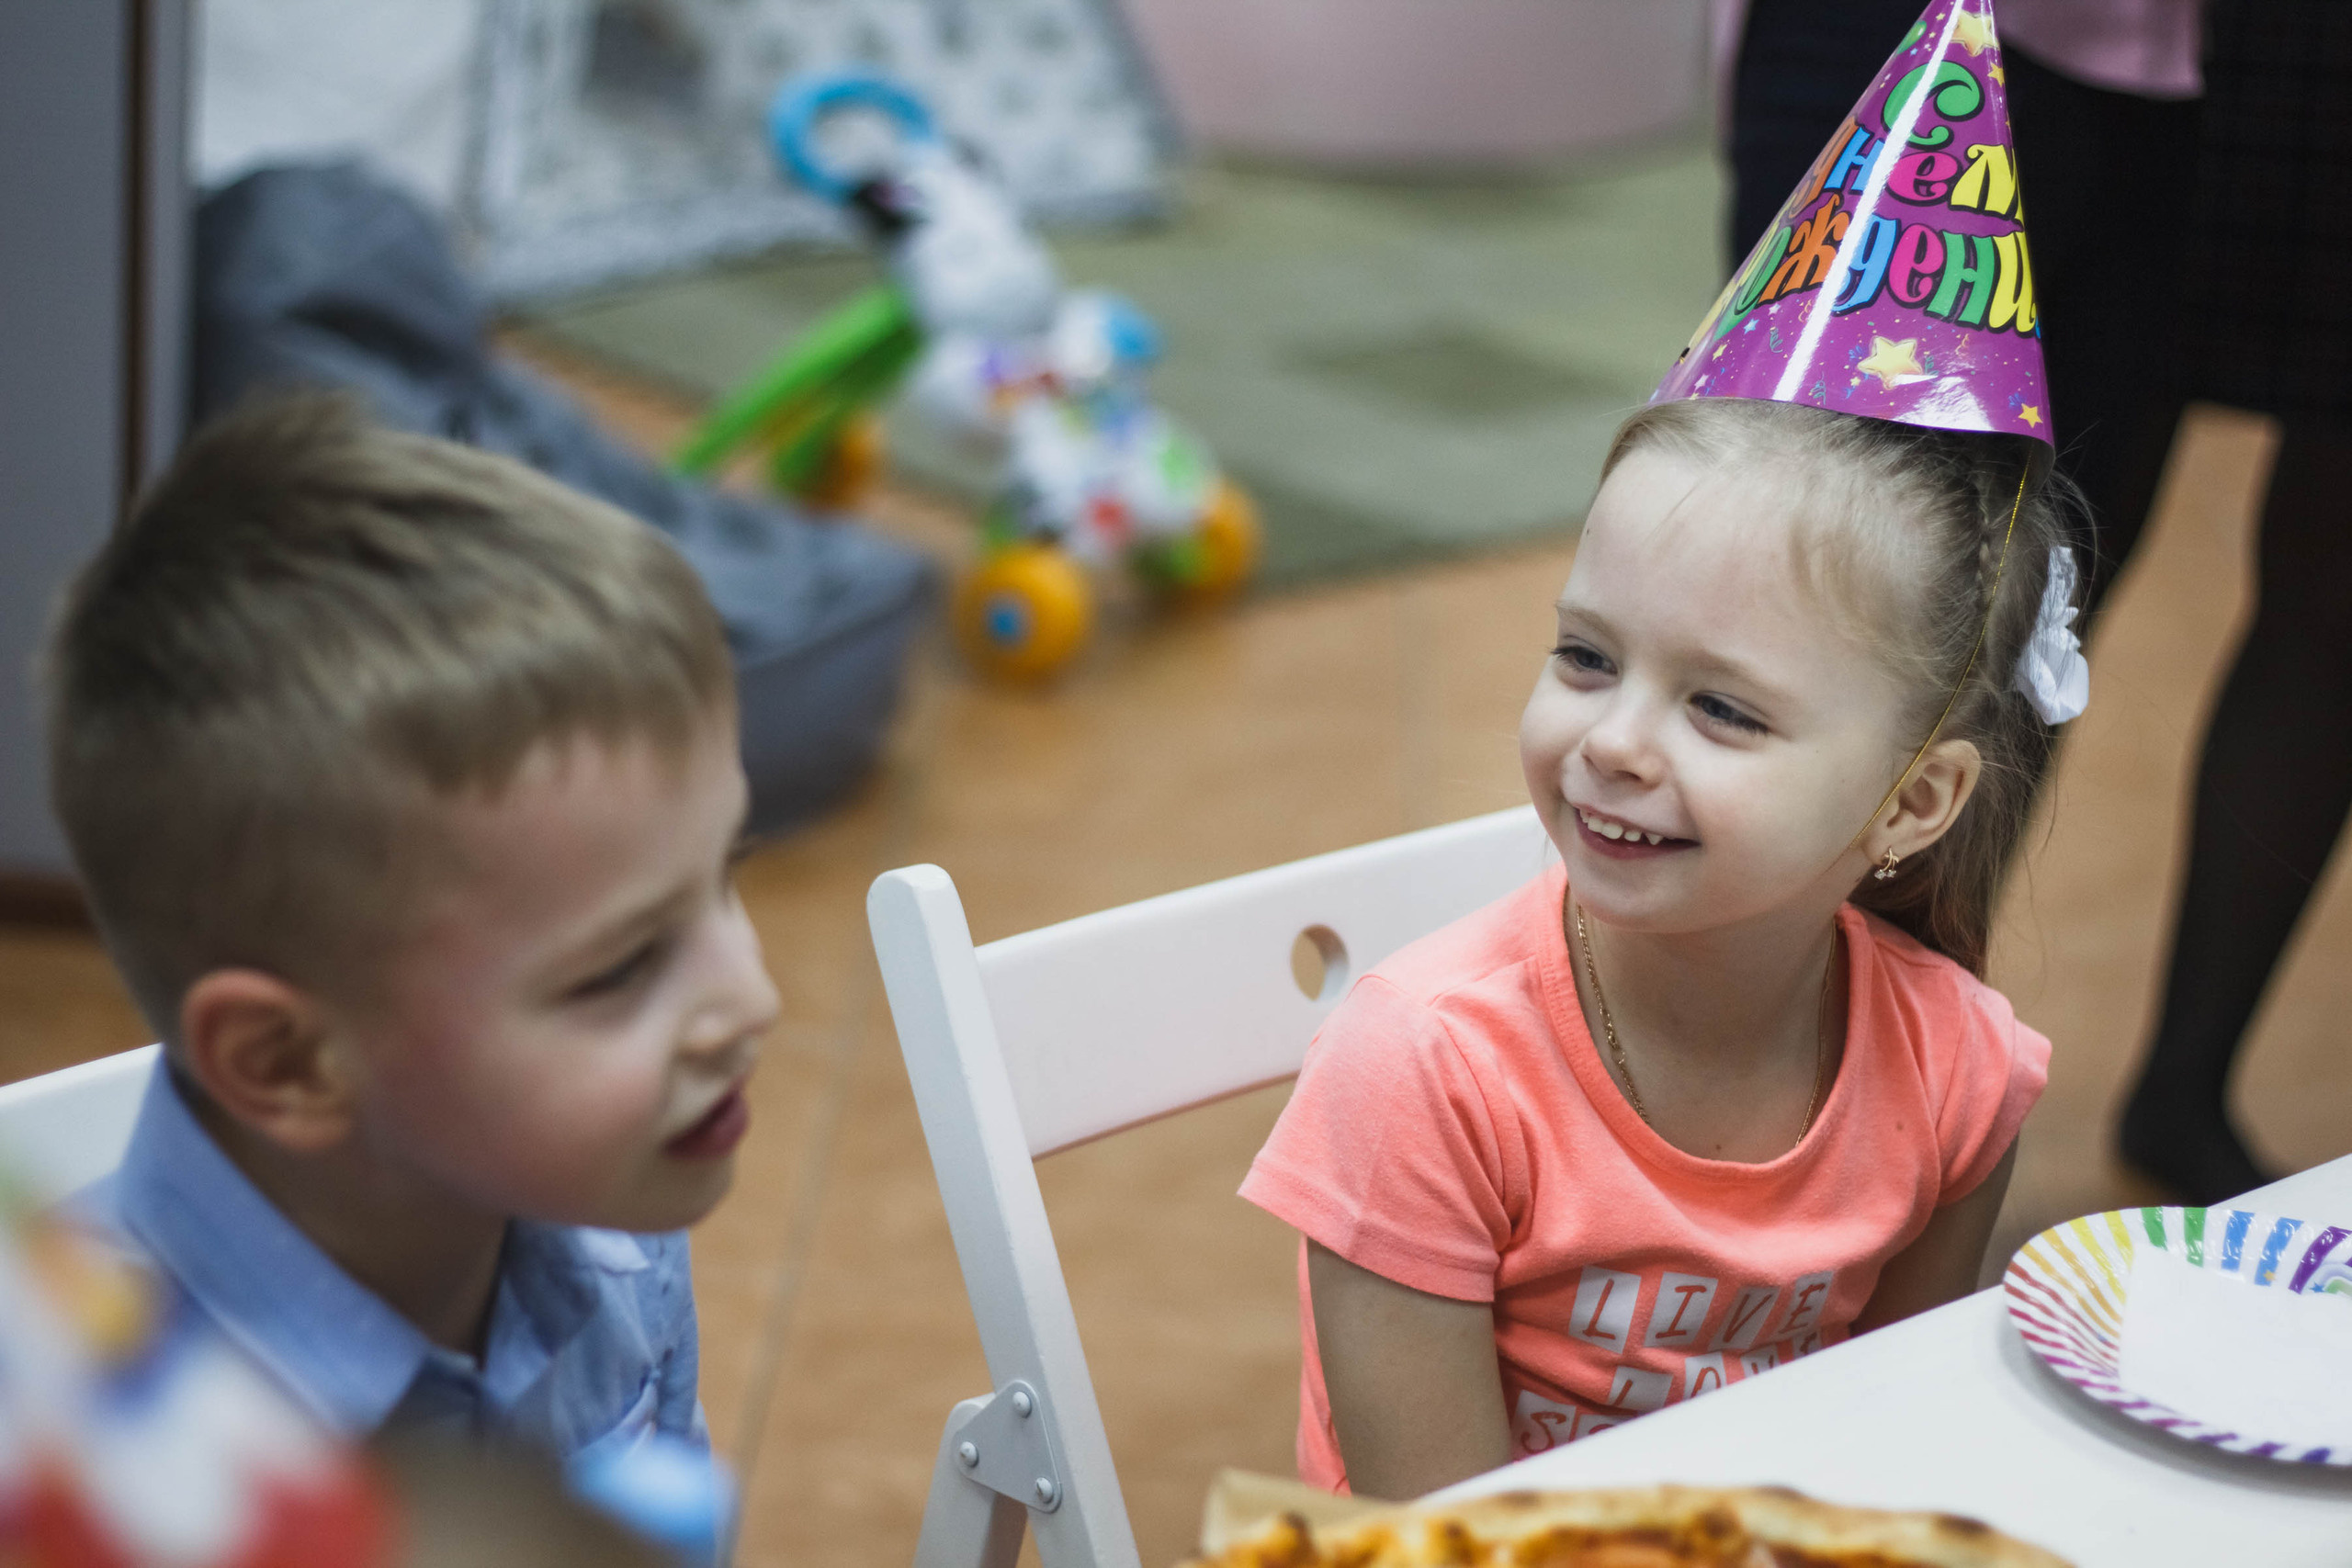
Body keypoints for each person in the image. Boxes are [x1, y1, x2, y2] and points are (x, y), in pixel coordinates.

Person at [1242, 1, 2076, 1497]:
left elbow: (1895, 1461)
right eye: (1585, 656)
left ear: (1916, 801)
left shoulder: (1957, 1072)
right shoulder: (1424, 1069)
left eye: (1724, 707)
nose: (1611, 742)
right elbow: (1437, 1534)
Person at [42, 393, 780, 1456]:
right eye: (622, 968)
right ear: (290, 1061)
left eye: (730, 872)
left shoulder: (607, 1219)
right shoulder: (87, 1464)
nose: (753, 998)